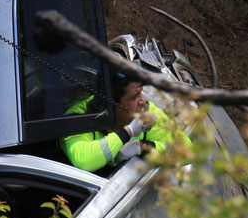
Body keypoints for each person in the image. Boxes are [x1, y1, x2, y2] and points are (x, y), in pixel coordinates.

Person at [60, 71, 191, 173]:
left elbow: (186, 152)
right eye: (134, 97)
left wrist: (144, 147)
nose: (142, 101)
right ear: (111, 103)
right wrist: (128, 132)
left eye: (141, 93)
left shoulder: (144, 110)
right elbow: (84, 160)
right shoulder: (77, 117)